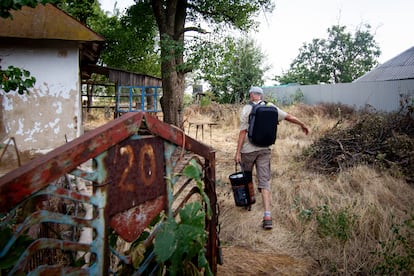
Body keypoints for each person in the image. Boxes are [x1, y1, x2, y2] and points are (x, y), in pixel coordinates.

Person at [234, 86, 309, 230]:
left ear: (251, 95)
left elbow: (243, 133)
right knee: (264, 181)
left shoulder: (246, 109)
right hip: (265, 149)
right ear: (261, 96)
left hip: (248, 151)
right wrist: (302, 124)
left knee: (247, 176)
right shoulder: (272, 107)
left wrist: (237, 153)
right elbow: (289, 117)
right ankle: (267, 215)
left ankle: (248, 202)